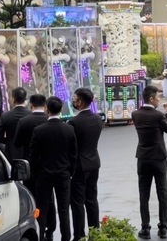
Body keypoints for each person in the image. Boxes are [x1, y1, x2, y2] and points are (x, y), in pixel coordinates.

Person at [30, 96, 78, 241]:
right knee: (64, 210)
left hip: (44, 175)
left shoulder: (38, 130)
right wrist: (70, 172)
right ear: (60, 109)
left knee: (42, 210)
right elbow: (73, 154)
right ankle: (66, 238)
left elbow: (33, 156)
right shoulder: (69, 129)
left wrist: (36, 174)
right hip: (63, 174)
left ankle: (41, 236)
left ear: (47, 109)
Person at [132, 85, 167, 240]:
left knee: (144, 194)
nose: (159, 100)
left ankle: (145, 228)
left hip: (143, 158)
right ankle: (163, 228)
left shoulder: (136, 114)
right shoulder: (158, 115)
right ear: (151, 98)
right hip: (159, 157)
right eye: (157, 97)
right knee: (162, 192)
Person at [14, 94, 57, 241]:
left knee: (32, 197)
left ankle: (37, 227)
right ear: (45, 106)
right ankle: (50, 228)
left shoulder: (24, 121)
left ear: (31, 104)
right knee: (49, 199)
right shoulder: (48, 120)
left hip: (30, 166)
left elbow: (17, 143)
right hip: (49, 165)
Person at [68, 88, 103, 240]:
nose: (73, 100)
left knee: (77, 202)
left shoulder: (73, 122)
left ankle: (79, 235)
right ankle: (95, 233)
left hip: (79, 166)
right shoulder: (97, 119)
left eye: (75, 98)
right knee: (92, 199)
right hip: (94, 162)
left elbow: (71, 147)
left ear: (80, 102)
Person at [0, 87, 31, 162]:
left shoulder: (5, 116)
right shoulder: (30, 115)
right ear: (25, 99)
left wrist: (9, 141)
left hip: (11, 153)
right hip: (28, 154)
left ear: (13, 99)